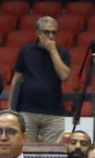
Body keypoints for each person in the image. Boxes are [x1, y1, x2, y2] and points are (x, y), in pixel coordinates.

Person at [10, 15, 71, 144]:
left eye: (53, 32)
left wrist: (53, 51)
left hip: (54, 113)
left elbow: (64, 75)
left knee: (53, 154)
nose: (50, 36)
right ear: (38, 33)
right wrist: (11, 109)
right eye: (46, 32)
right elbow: (16, 79)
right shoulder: (26, 51)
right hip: (27, 111)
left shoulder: (62, 53)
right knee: (26, 150)